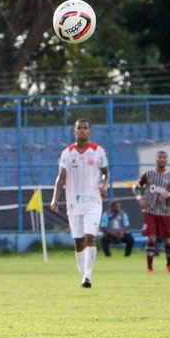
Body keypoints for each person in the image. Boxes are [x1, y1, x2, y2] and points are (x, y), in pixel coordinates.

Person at [50, 119, 109, 288]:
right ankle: (83, 274)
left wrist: (103, 185)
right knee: (78, 240)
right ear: (74, 132)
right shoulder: (67, 153)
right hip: (74, 202)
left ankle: (88, 277)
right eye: (79, 129)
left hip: (93, 201)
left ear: (90, 131)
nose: (82, 131)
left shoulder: (98, 151)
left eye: (85, 128)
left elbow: (106, 173)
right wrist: (55, 198)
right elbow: (61, 178)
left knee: (90, 236)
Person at [135, 150, 170, 273]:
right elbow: (135, 187)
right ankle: (149, 267)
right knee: (152, 238)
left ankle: (169, 265)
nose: (162, 159)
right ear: (156, 159)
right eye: (160, 156)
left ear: (167, 160)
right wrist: (140, 199)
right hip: (150, 211)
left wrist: (168, 194)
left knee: (167, 240)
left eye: (164, 157)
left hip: (164, 212)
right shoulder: (148, 175)